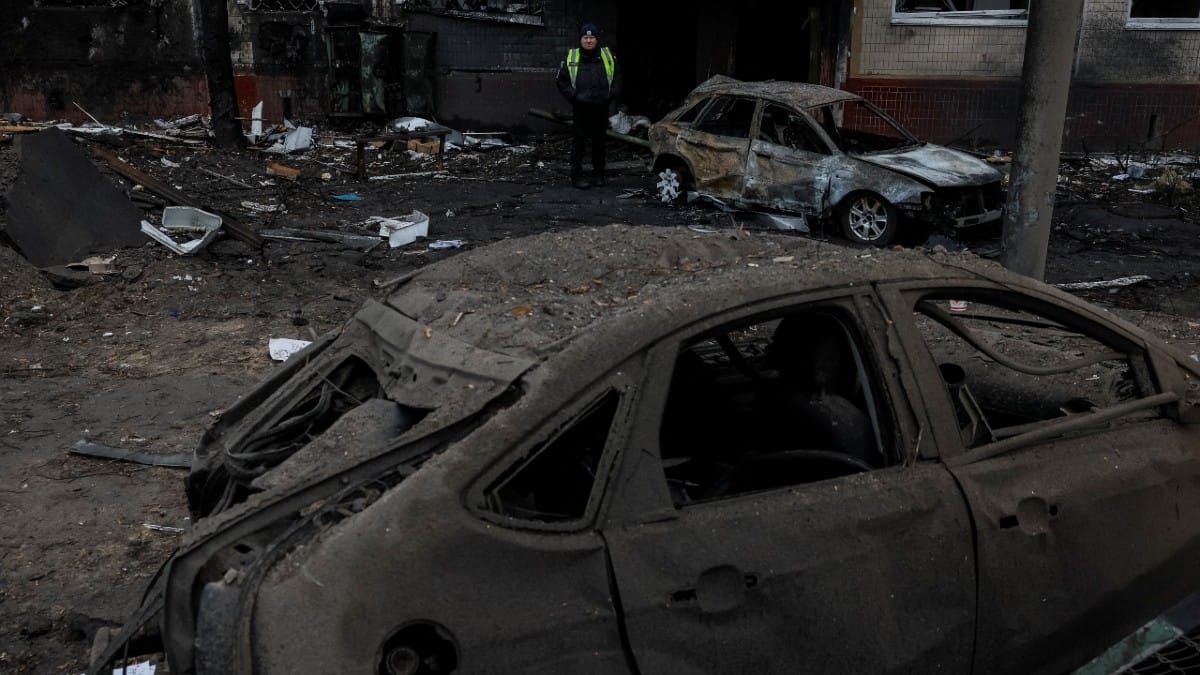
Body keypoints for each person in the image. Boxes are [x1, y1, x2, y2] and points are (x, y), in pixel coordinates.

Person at [556, 22, 622, 189]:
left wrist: (611, 94)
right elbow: (561, 80)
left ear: (597, 39)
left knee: (599, 142)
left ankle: (599, 175)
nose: (588, 40)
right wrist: (574, 96)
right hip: (581, 108)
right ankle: (577, 177)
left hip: (601, 107)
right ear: (580, 39)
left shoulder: (608, 56)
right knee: (579, 142)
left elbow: (618, 77)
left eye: (592, 37)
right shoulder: (572, 56)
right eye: (585, 37)